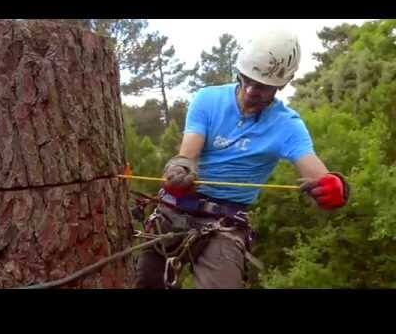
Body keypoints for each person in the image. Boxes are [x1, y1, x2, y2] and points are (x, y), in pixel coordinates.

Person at [134, 29, 350, 289]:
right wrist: (180, 169)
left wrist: (335, 186)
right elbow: (188, 155)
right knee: (144, 281)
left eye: (261, 86)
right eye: (246, 79)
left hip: (224, 225)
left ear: (282, 84)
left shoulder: (287, 126)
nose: (250, 90)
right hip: (175, 210)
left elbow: (319, 175)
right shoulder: (208, 99)